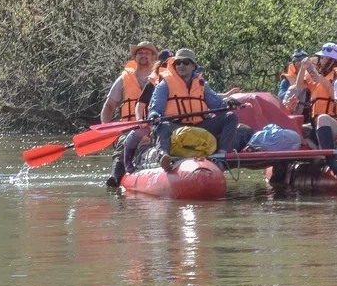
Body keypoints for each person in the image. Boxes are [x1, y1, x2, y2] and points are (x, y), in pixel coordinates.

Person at [147, 48, 240, 171]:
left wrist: (228, 103)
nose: (181, 65)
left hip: (200, 125)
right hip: (175, 126)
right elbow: (156, 108)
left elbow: (217, 105)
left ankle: (220, 156)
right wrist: (154, 115)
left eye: (185, 62)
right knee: (162, 126)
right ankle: (163, 156)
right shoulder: (164, 84)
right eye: (178, 63)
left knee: (230, 117)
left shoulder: (201, 84)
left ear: (193, 66)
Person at [99, 42, 161, 187]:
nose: (143, 55)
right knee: (123, 143)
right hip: (130, 127)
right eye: (140, 53)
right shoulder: (123, 79)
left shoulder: (162, 78)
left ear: (153, 57)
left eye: (147, 53)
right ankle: (114, 177)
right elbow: (108, 107)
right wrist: (108, 131)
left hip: (155, 125)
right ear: (135, 57)